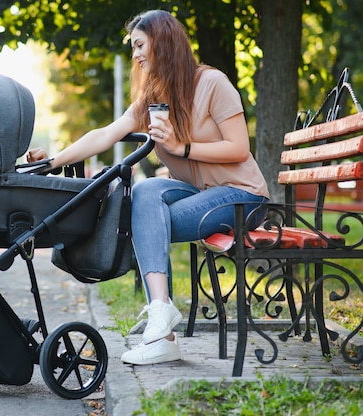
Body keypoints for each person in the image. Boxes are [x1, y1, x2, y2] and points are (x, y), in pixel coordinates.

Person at [26, 10, 270, 365]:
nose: (137, 55)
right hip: (201, 195)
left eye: (140, 45)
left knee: (148, 217)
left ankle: (162, 324)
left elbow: (239, 148)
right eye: (134, 48)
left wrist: (181, 147)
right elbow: (105, 134)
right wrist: (51, 163)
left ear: (164, 42)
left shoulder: (212, 83)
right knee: (143, 193)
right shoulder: (154, 99)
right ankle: (162, 319)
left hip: (244, 197)